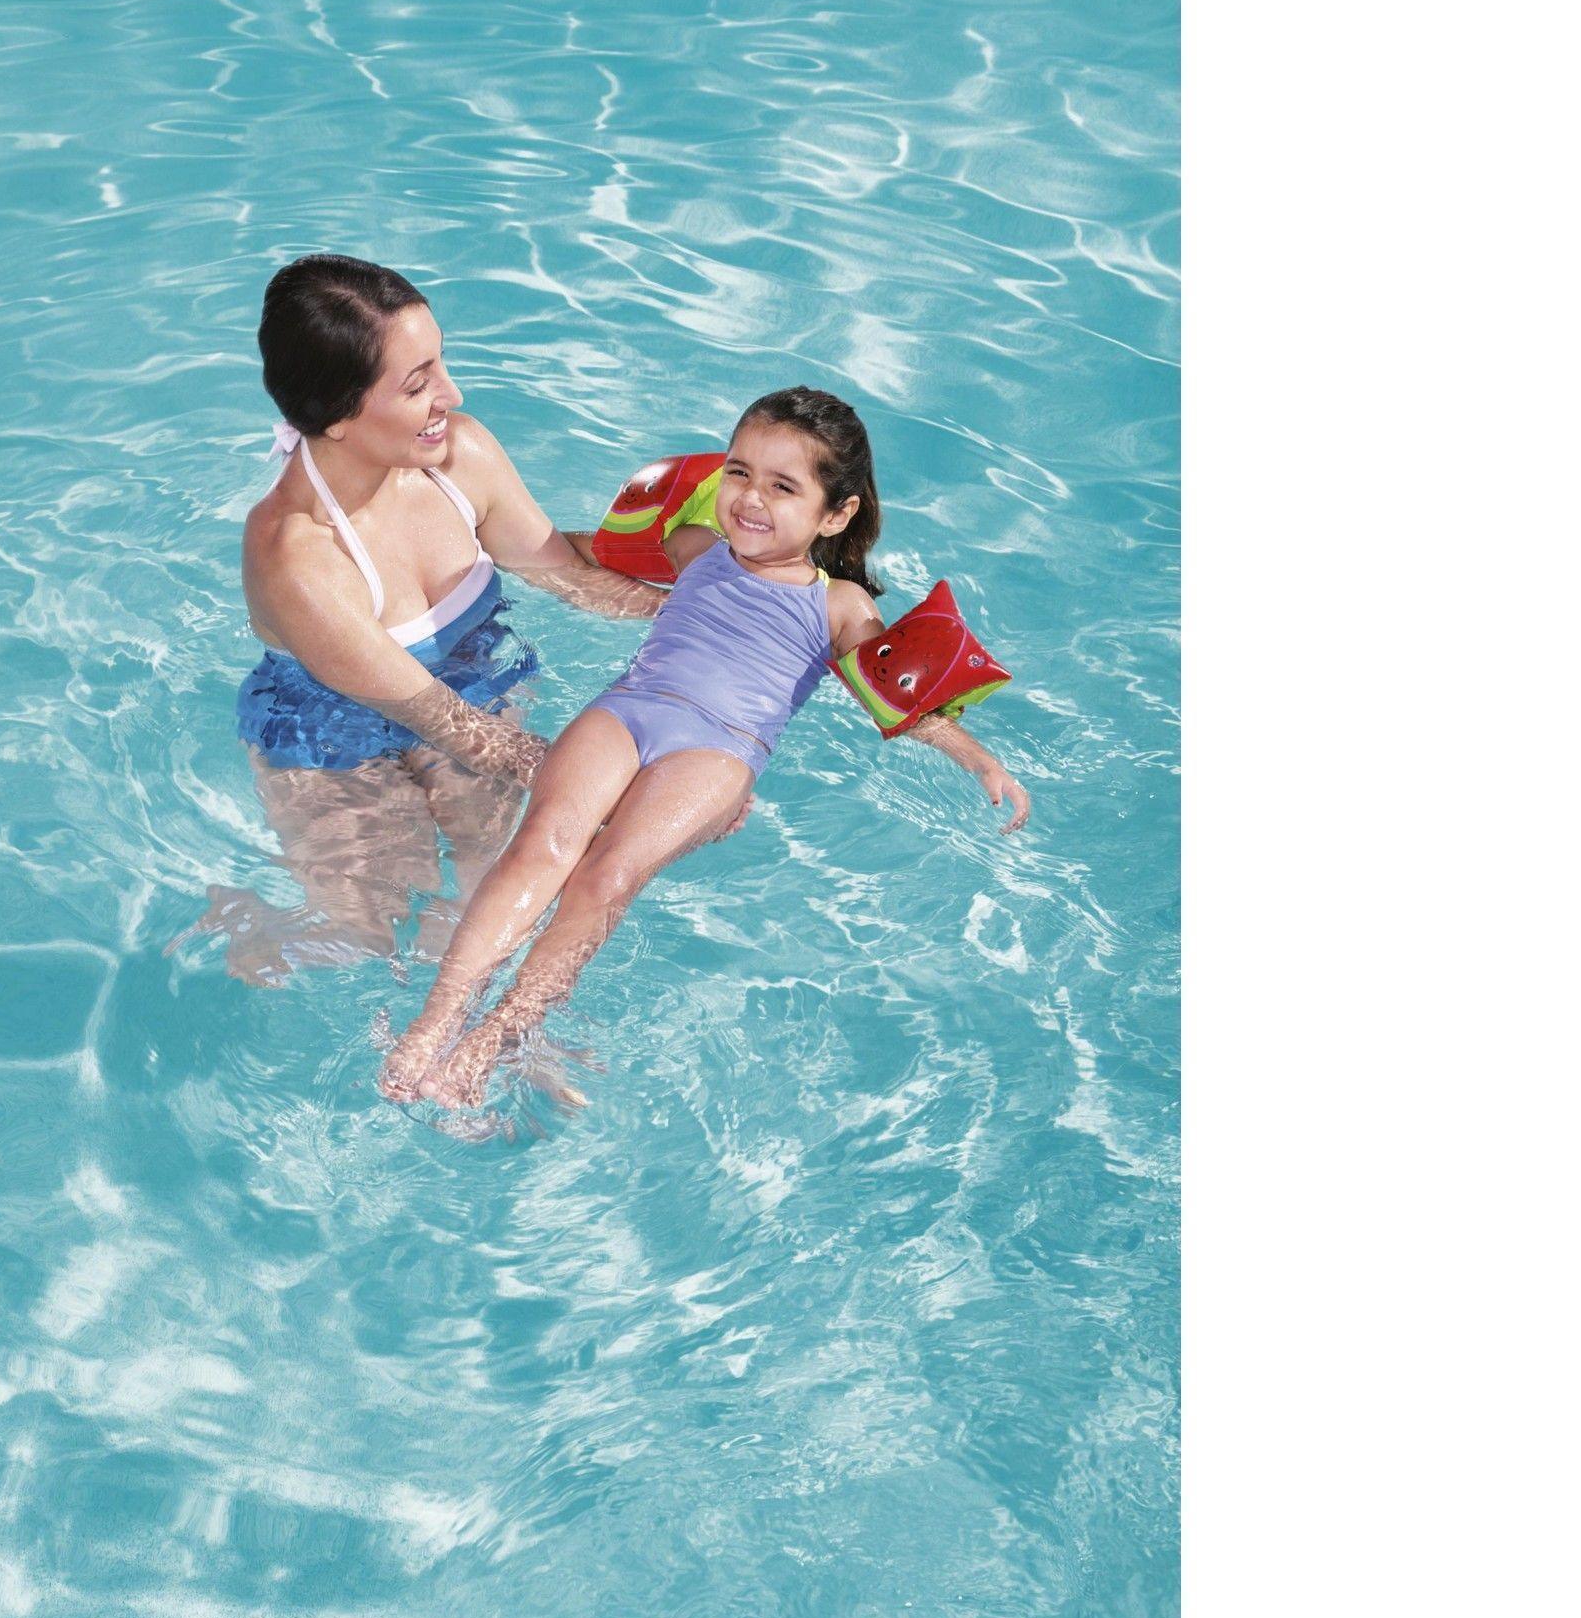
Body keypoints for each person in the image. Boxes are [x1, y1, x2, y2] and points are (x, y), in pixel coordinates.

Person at [382, 386, 1033, 1109]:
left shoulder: (840, 605)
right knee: (541, 842)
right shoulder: (693, 548)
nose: (751, 499)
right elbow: (579, 555)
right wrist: (471, 534)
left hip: (719, 749)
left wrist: (979, 759)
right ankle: (434, 1021)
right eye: (740, 471)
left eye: (783, 487)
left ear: (836, 513)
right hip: (630, 709)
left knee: (606, 877)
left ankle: (493, 1038)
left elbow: (893, 697)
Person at [177, 254, 706, 985]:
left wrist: (707, 614)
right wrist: (614, 788)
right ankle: (252, 925)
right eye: (418, 383)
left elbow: (569, 575)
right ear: (335, 414)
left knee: (498, 896)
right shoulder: (296, 554)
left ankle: (512, 1048)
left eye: (441, 366)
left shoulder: (461, 457)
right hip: (332, 732)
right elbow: (449, 726)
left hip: (473, 677)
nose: (449, 396)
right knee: (364, 937)